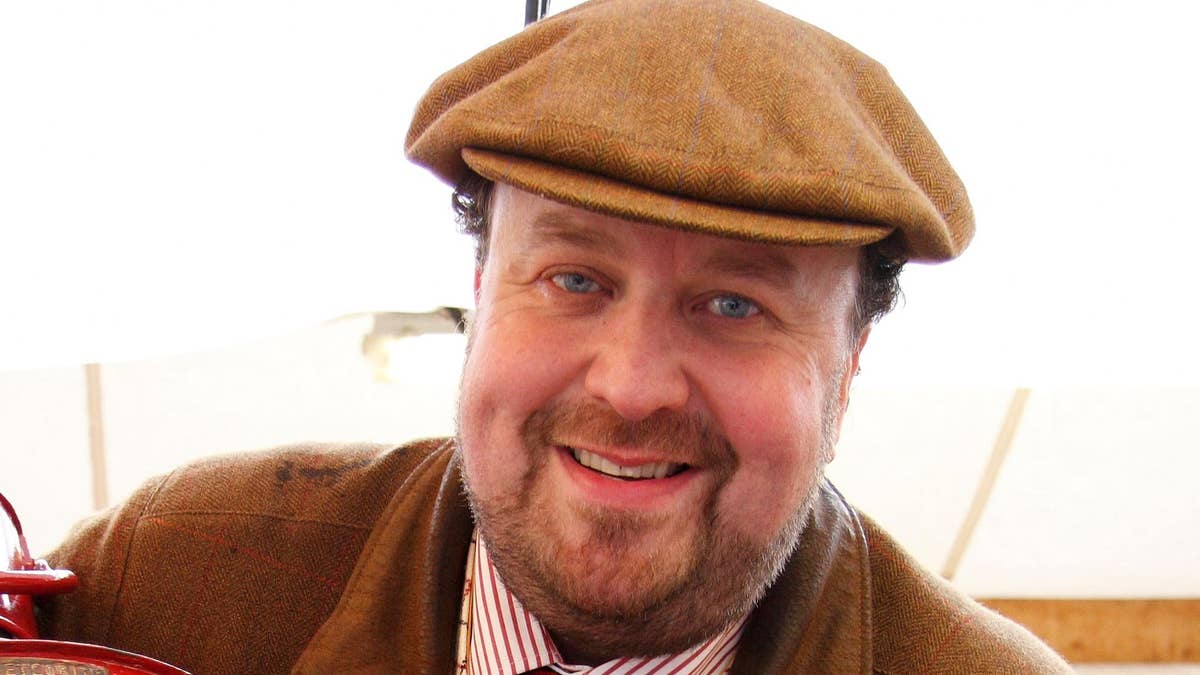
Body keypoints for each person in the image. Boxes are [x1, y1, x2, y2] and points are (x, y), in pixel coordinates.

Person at [35, 0, 1071, 672]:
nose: (630, 385)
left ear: (848, 364)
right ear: (480, 290)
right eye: (574, 279)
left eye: (734, 305)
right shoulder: (160, 583)